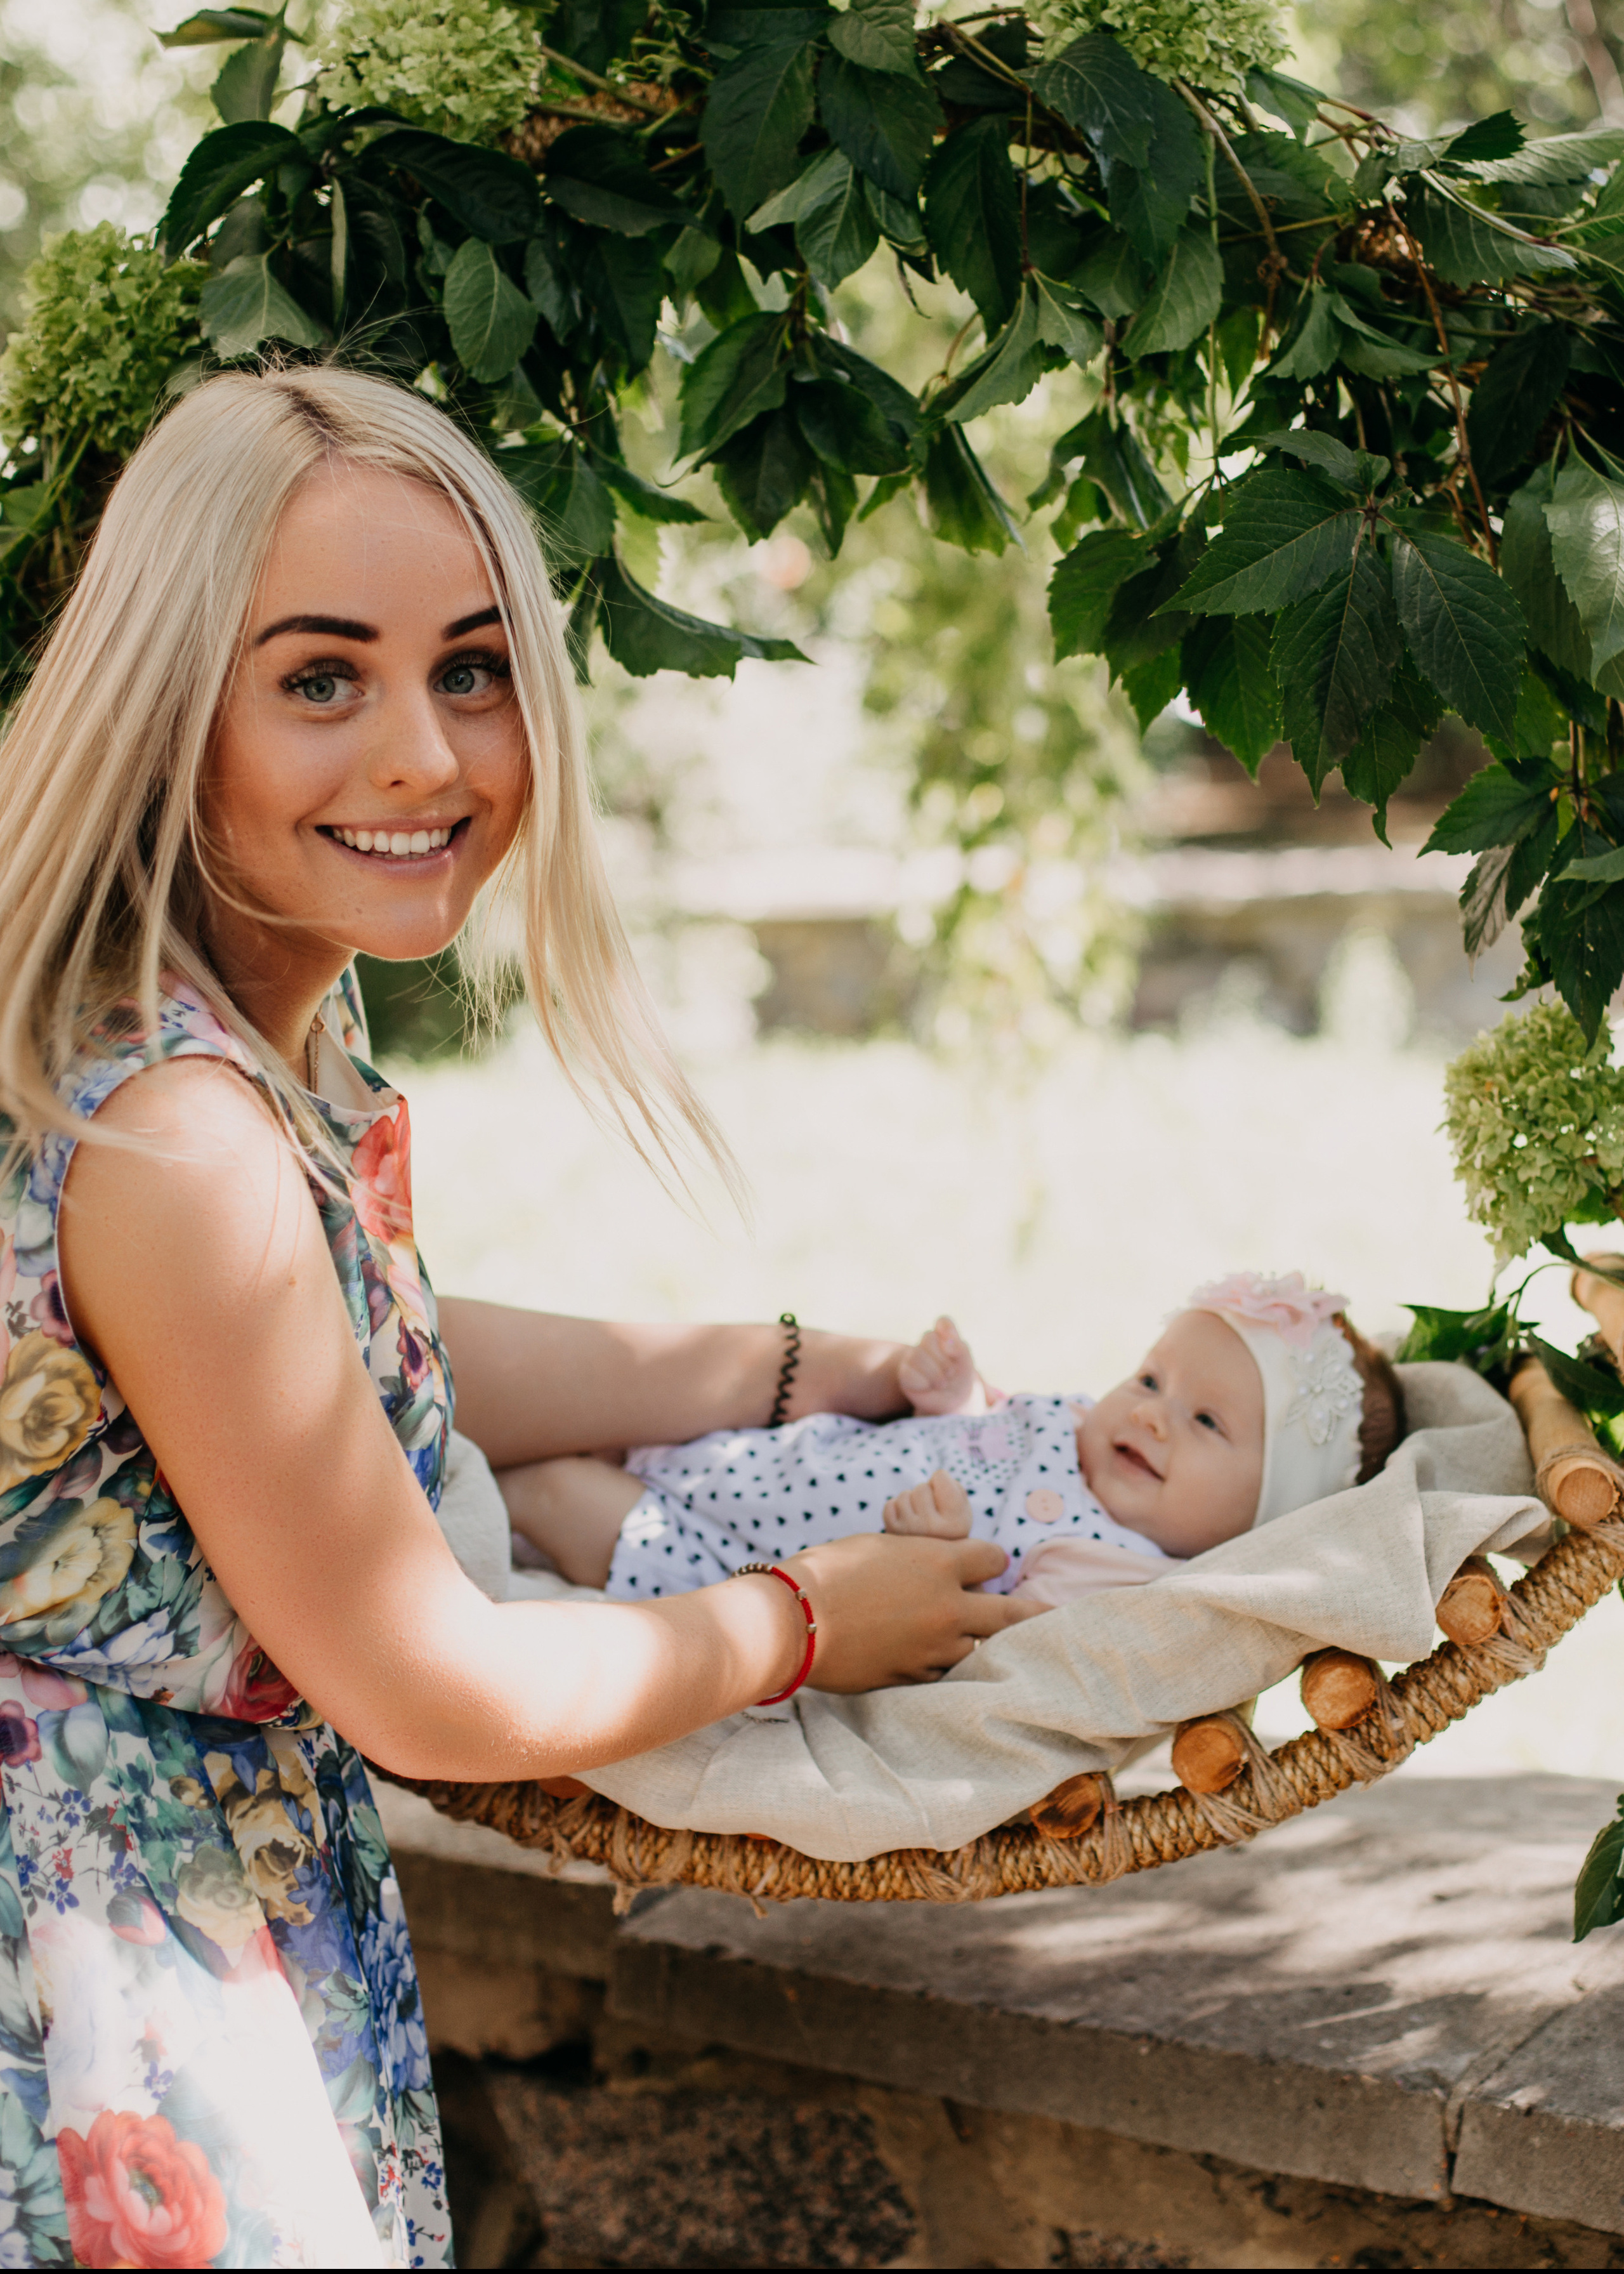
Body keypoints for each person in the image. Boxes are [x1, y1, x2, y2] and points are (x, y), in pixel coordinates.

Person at [0, 364, 1037, 2270]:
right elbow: (430, 1690)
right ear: (171, 708)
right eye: (324, 679)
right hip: (116, 2027)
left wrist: (799, 1366)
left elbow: (330, 1366)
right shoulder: (184, 1135)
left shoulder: (184, 1047)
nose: (428, 757)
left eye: (471, 671)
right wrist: (806, 1624)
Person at [499, 1272, 1406, 1608]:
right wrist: (957, 1396)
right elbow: (989, 1437)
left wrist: (934, 1560)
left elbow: (1001, 1644)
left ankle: (427, 1509)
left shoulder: (1117, 1569)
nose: (1151, 1414)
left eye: (1207, 1422)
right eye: (1151, 1378)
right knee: (573, 1436)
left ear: (1268, 1516)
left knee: (540, 1486)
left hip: (735, 1572)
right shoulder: (1076, 1431)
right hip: (748, 1460)